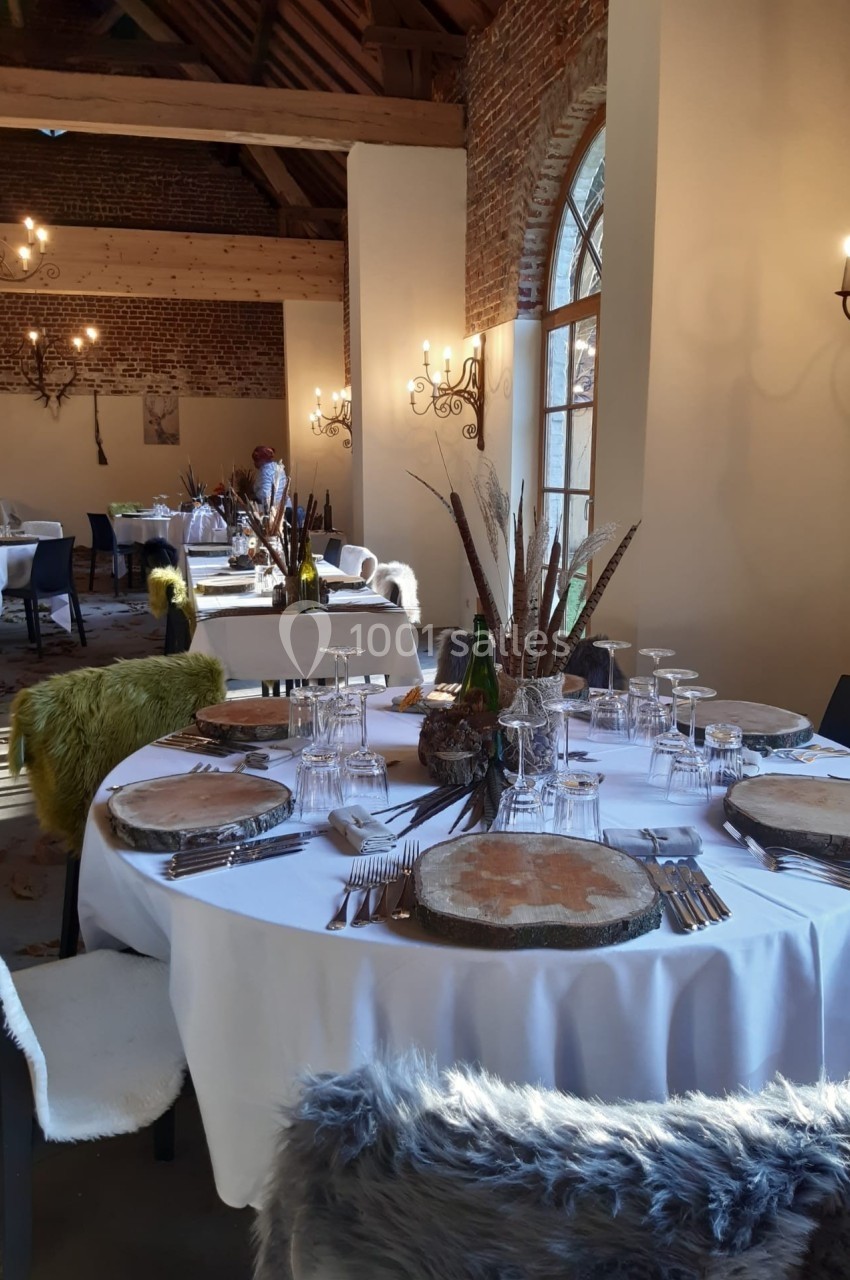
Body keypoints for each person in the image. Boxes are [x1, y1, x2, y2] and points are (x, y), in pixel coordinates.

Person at [252, 445, 287, 510]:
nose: (254, 463)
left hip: (274, 510)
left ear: (261, 459)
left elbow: (265, 494)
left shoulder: (265, 471)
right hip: (286, 506)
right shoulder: (279, 467)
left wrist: (255, 496)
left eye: (256, 460)